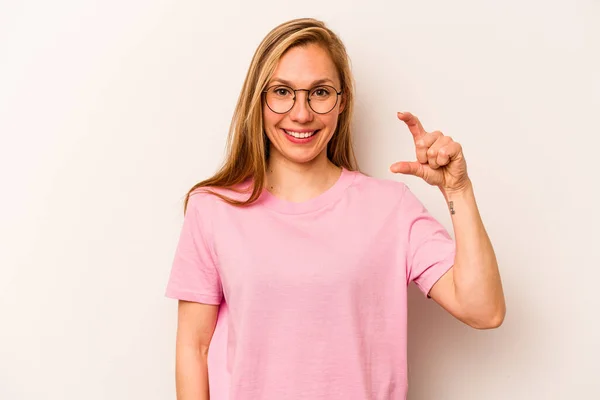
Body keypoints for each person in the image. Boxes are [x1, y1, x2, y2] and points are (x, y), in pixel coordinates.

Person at [165, 17, 505, 400]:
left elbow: (484, 310)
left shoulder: (390, 208)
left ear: (342, 102)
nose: (301, 113)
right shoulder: (214, 209)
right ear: (258, 100)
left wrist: (458, 190)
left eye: (320, 92)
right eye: (282, 92)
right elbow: (195, 348)